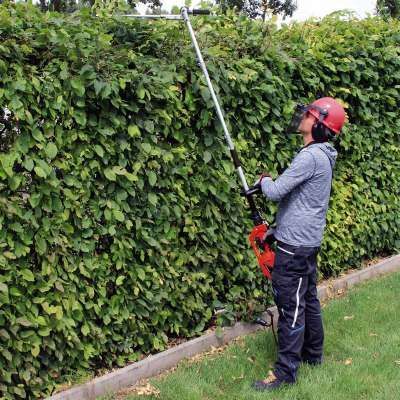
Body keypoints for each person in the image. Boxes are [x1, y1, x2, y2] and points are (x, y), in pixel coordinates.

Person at [252, 97, 346, 391]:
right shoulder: (322, 155)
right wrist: (276, 230)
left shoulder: (309, 156)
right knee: (308, 300)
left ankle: (285, 374)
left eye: (310, 114)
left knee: (291, 306)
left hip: (294, 247)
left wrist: (263, 180)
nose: (303, 116)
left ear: (318, 126)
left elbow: (277, 192)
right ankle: (313, 355)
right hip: (306, 242)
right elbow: (301, 203)